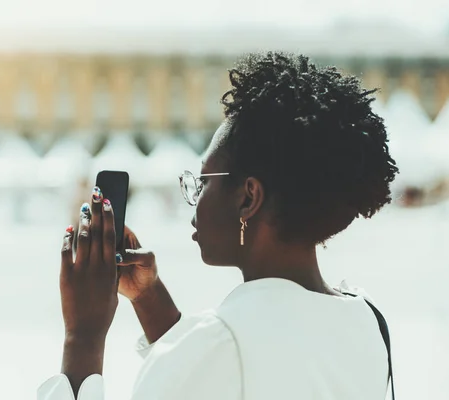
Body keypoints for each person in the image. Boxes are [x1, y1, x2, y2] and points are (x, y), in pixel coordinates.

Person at [38, 51, 398, 400]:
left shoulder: (218, 346)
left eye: (204, 179)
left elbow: (221, 364)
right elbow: (244, 376)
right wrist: (149, 298)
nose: (194, 199)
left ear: (248, 198)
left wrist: (83, 335)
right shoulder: (368, 319)